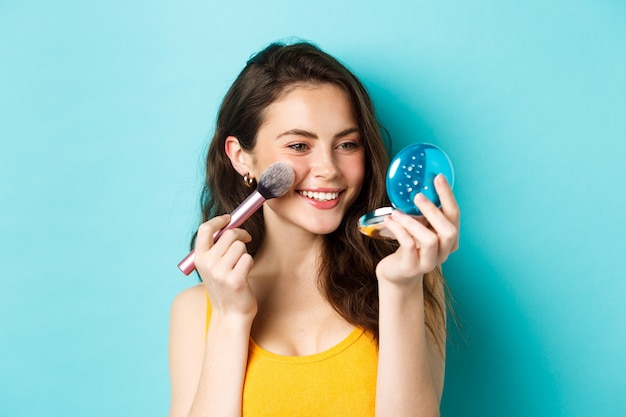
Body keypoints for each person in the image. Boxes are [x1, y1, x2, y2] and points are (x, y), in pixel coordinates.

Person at [168, 41, 460, 417]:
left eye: (347, 144)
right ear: (241, 157)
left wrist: (400, 288)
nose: (329, 169)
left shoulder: (415, 278)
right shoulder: (196, 312)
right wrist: (230, 317)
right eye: (299, 145)